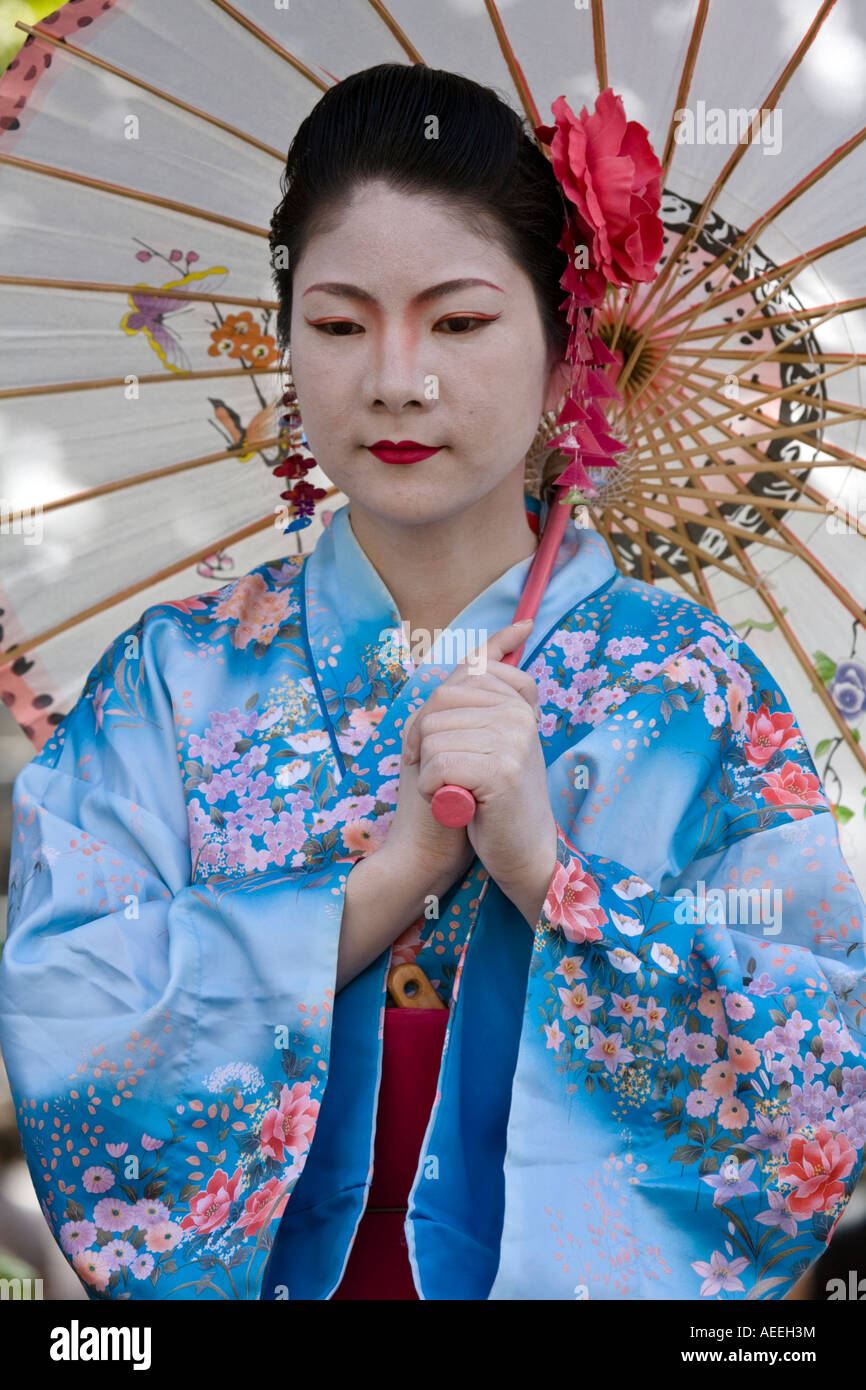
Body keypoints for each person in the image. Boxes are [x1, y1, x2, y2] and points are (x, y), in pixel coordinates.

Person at [1, 61, 865, 1303]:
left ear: (571, 356)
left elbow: (810, 1071)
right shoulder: (174, 675)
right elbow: (68, 1013)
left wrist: (548, 875)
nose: (396, 380)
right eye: (341, 323)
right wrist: (388, 878)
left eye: (458, 322)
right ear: (286, 339)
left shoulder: (689, 687)